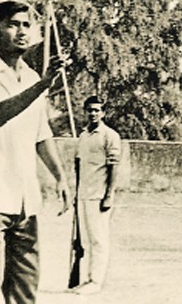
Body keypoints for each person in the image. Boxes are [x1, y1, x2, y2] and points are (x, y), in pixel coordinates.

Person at [0, 0, 70, 303]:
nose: (23, 31)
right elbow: (2, 112)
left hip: (24, 199)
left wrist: (60, 178)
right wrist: (45, 85)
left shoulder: (32, 77)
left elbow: (40, 134)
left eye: (26, 25)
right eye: (13, 24)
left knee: (25, 288)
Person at [72, 95, 121, 295]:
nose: (93, 113)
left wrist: (109, 195)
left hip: (99, 195)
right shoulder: (83, 135)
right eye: (90, 110)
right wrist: (76, 193)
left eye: (97, 110)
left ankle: (96, 281)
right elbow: (78, 165)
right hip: (83, 194)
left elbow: (113, 167)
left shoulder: (110, 135)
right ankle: (88, 279)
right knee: (85, 241)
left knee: (99, 240)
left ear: (103, 112)